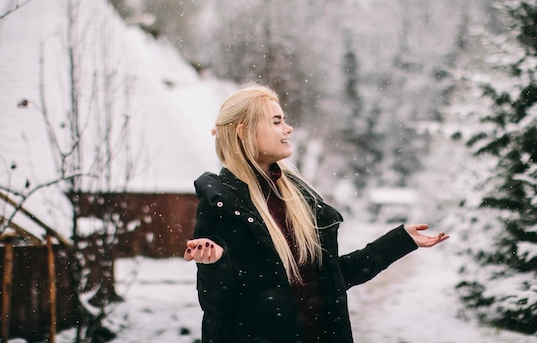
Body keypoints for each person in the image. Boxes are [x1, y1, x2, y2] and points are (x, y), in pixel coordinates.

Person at [184, 84, 449, 343]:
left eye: (284, 120)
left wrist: (400, 240)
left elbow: (329, 280)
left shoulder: (298, 197)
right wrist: (214, 266)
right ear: (244, 131)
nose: (288, 128)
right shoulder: (222, 203)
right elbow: (218, 310)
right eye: (276, 121)